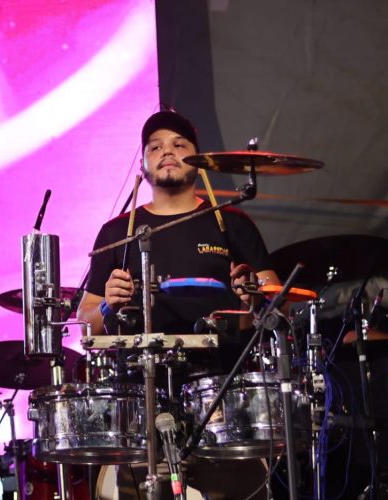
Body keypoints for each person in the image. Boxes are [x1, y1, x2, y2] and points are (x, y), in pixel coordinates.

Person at [76, 110, 280, 499]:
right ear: (142, 165)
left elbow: (279, 304)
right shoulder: (117, 232)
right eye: (155, 147)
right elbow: (86, 321)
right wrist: (107, 306)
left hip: (221, 394)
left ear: (198, 159)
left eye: (179, 144)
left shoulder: (231, 223)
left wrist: (255, 294)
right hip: (141, 399)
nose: (167, 151)